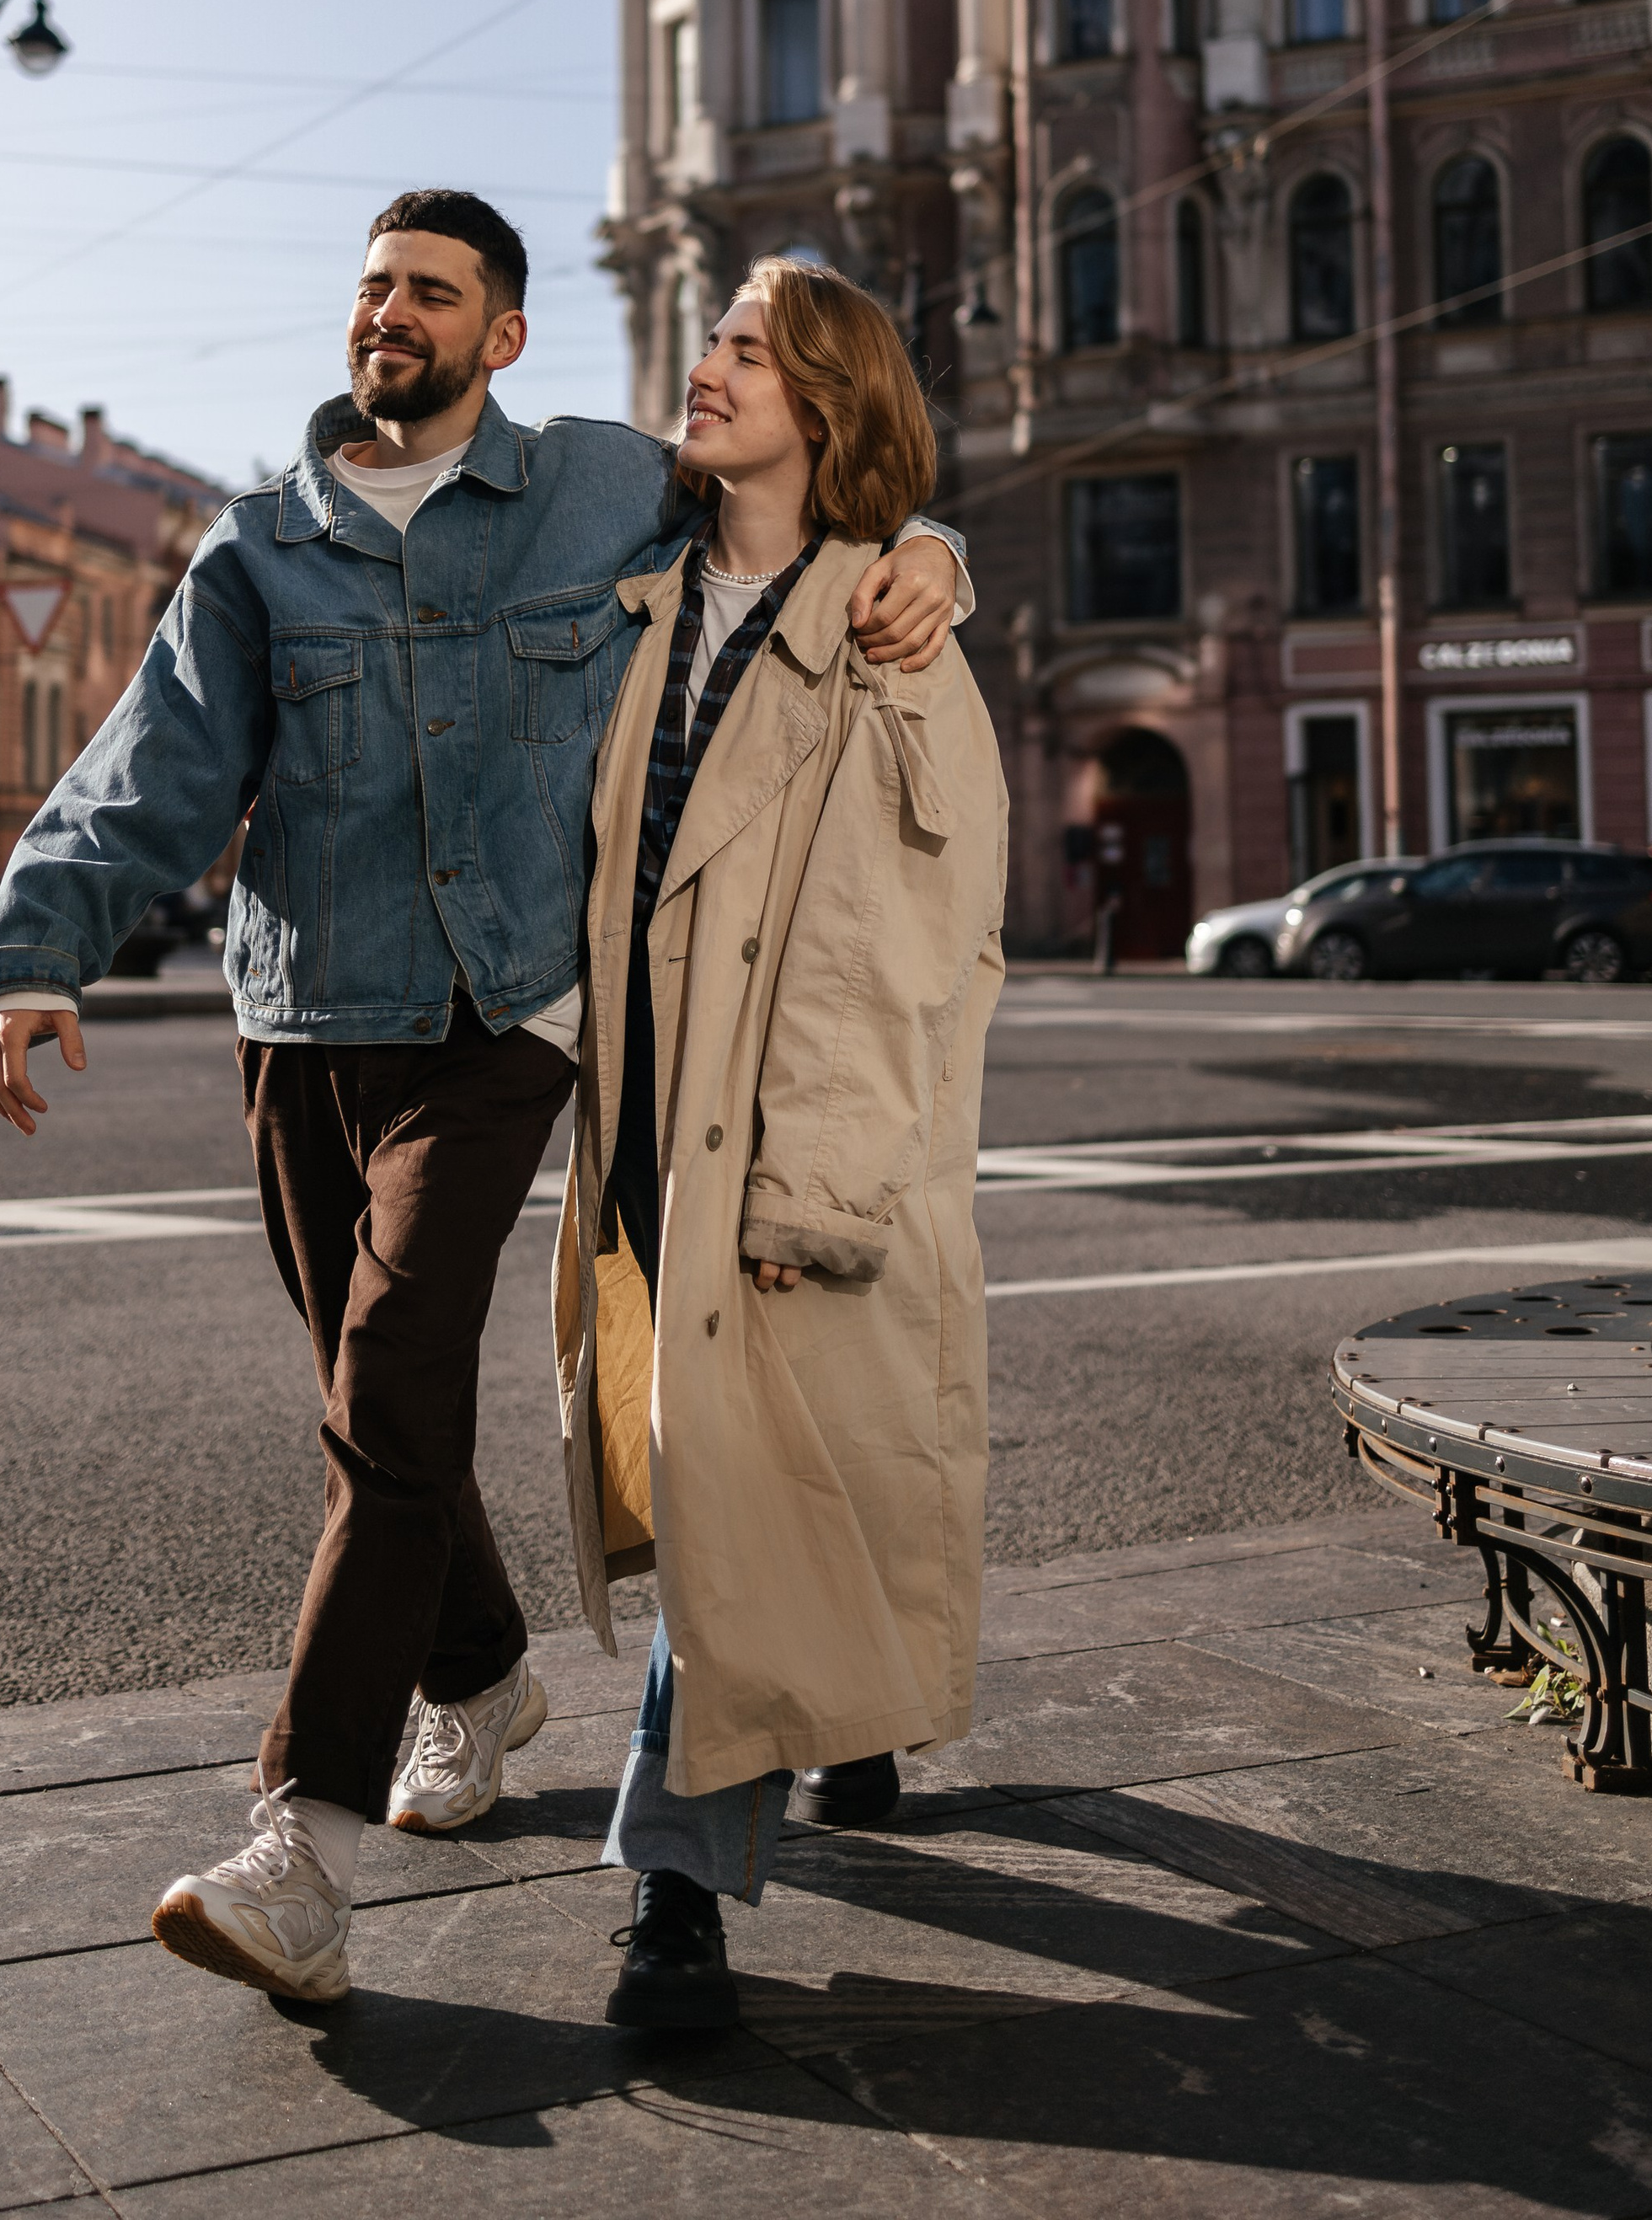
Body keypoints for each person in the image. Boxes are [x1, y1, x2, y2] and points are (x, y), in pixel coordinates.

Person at [0, 190, 965, 2008]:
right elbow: (154, 768)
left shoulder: (602, 487)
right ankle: (481, 1672)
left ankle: (300, 1854)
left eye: (430, 291)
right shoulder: (262, 543)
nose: (389, 314)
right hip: (302, 1022)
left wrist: (935, 548)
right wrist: (36, 954)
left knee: (393, 1375)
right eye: (372, 288)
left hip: (508, 1020)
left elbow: (819, 505)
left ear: (501, 335)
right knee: (378, 1405)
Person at [549, 255, 1007, 2030]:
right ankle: (846, 1714)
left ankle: (673, 1894)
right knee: (748, 1488)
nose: (707, 365)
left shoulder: (890, 646)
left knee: (735, 1508)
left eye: (749, 348)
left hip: (768, 1150)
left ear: (826, 405)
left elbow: (886, 963)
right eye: (713, 339)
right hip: (643, 1131)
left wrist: (807, 1194)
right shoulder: (636, 600)